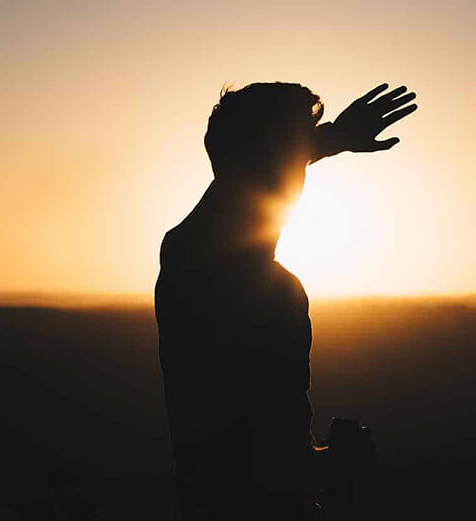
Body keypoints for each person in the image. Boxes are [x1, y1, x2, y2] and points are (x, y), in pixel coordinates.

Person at [154, 81, 417, 520]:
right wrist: (345, 463)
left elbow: (244, 168)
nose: (302, 170)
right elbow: (274, 465)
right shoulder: (268, 291)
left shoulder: (183, 252)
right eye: (297, 152)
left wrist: (327, 139)